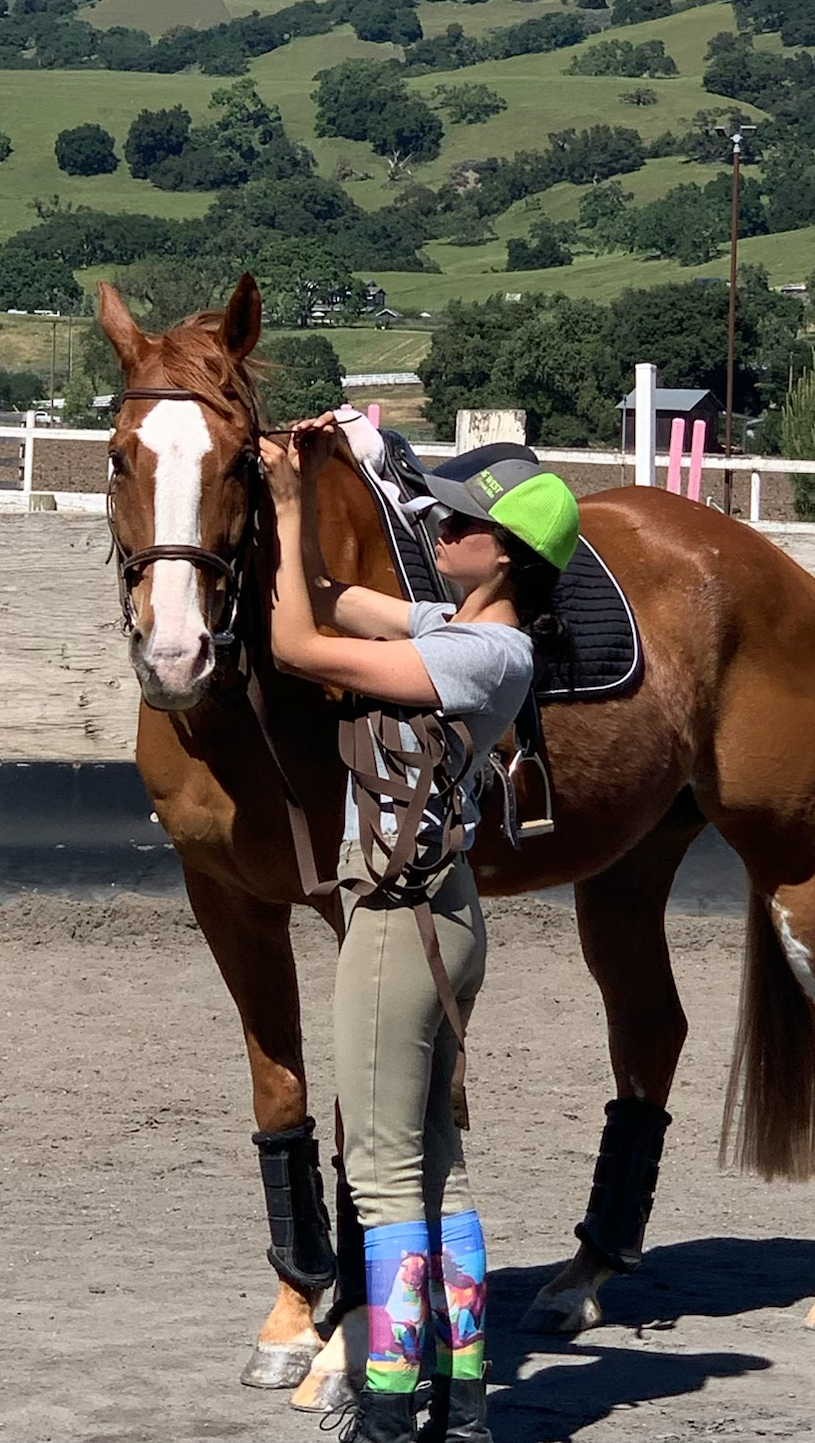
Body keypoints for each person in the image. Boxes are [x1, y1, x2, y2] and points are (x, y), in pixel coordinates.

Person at [258, 415, 580, 1443]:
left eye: (459, 524)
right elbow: (331, 596)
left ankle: (392, 1408)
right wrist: (301, 489)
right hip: (446, 917)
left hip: (399, 922)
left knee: (386, 1169)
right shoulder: (463, 623)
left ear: (507, 556)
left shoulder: (481, 656)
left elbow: (297, 645)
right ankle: (466, 1398)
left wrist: (289, 501)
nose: (439, 530)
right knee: (440, 1164)